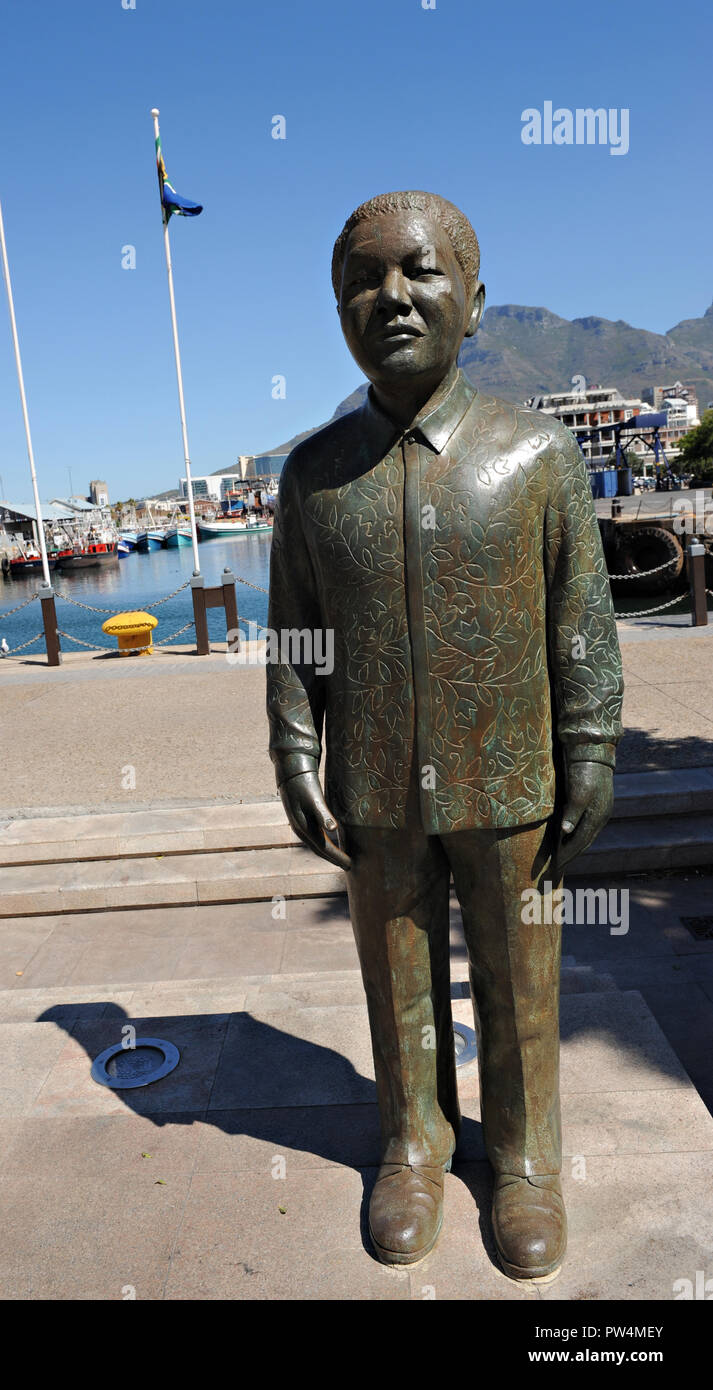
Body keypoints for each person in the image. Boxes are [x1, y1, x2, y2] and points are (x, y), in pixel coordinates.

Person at [266, 191, 623, 1280]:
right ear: (337, 312)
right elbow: (297, 634)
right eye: (360, 282)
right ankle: (412, 1142)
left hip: (509, 772)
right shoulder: (314, 477)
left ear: (473, 296)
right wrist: (293, 746)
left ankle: (522, 1162)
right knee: (395, 973)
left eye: (417, 272)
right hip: (375, 779)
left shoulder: (538, 458)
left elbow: (581, 617)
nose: (390, 298)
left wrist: (592, 743)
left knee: (520, 980)